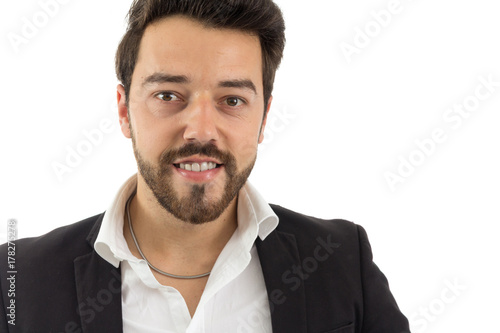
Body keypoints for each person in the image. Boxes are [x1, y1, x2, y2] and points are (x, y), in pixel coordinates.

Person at [0, 0, 410, 332]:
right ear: (124, 111)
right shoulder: (17, 280)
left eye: (232, 100)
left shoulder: (341, 263)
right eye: (168, 95)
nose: (200, 131)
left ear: (264, 118)